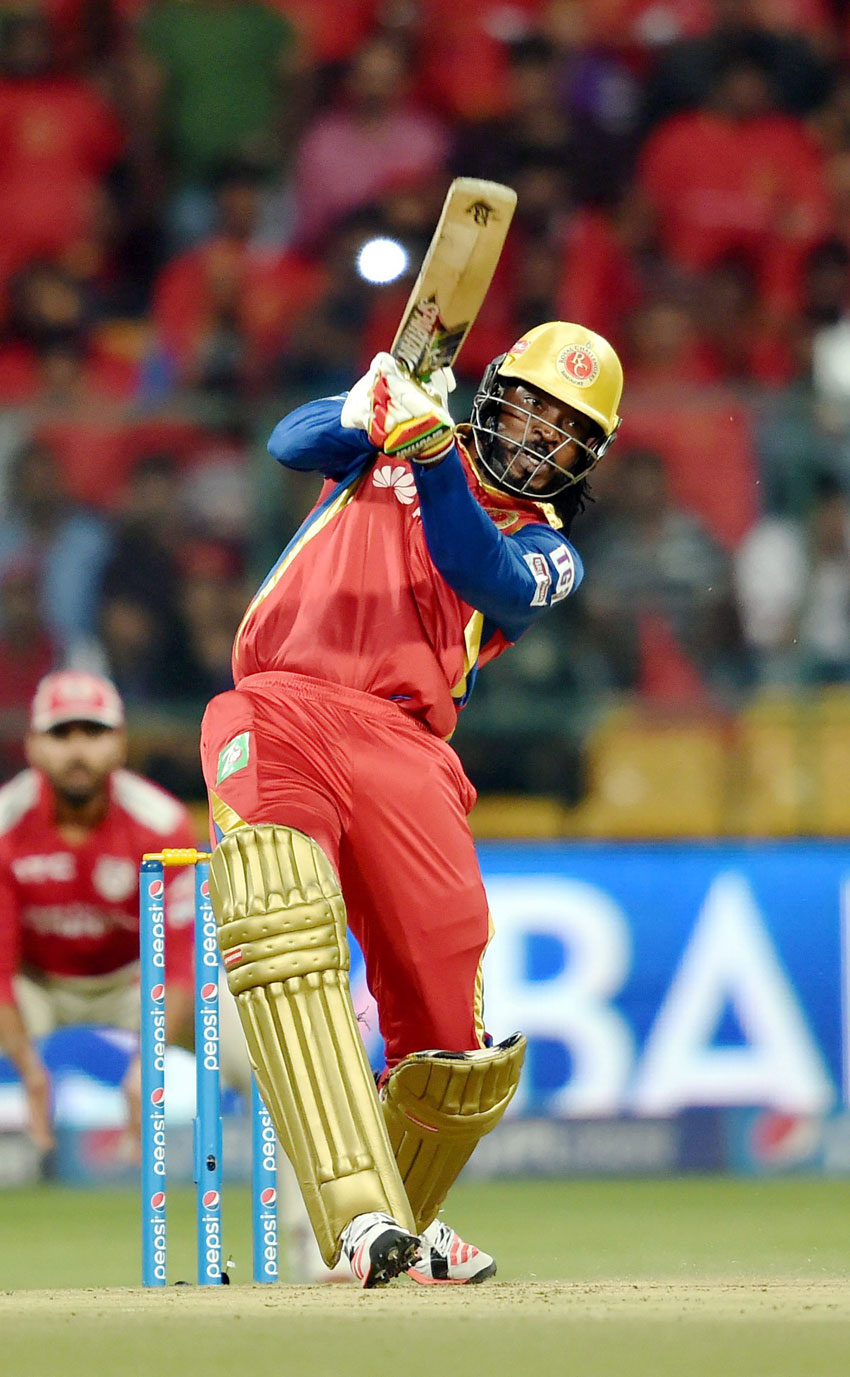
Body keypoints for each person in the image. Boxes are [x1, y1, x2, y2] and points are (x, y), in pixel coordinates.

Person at [199, 321, 623, 1287]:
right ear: (496, 393)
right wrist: (364, 407)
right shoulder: (386, 439)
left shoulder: (547, 550)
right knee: (283, 916)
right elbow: (289, 442)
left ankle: (396, 1227)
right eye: (531, 406)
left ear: (583, 459)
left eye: (566, 431)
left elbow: (486, 575)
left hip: (407, 746)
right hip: (278, 701)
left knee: (452, 1038)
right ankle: (357, 1221)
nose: (538, 435)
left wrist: (428, 451)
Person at [0, 670, 197, 1155]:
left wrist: (146, 1072)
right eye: (61, 733)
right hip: (36, 986)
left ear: (121, 742)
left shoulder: (163, 823)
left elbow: (179, 965)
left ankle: (314, 1223)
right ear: (32, 746)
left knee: (241, 1027)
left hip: (135, 985)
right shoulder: (4, 823)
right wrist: (29, 1072)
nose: (77, 749)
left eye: (93, 731)